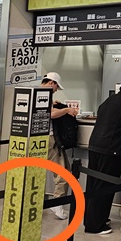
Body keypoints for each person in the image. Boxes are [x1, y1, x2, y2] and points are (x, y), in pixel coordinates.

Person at [84, 72, 121, 235]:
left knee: (93, 184)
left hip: (95, 144)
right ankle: (95, 225)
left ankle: (91, 219)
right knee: (105, 186)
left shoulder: (110, 99)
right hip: (112, 148)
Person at [42, 71, 78, 220]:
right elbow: (50, 115)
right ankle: (57, 204)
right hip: (49, 139)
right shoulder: (45, 94)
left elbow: (45, 111)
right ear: (52, 83)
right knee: (63, 172)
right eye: (57, 87)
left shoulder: (36, 92)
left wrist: (53, 105)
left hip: (38, 140)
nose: (56, 90)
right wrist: (67, 110)